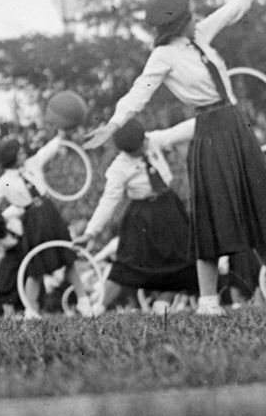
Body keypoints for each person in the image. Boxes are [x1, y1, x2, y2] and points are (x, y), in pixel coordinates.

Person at [82, 0, 266, 313]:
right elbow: (138, 93)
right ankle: (207, 301)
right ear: (181, 21)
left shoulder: (198, 35)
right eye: (192, 13)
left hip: (235, 126)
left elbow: (231, 10)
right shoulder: (163, 55)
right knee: (212, 219)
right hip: (209, 131)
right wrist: (114, 124)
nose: (198, 18)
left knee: (260, 212)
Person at [79, 118, 200, 311]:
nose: (144, 146)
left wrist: (209, 116)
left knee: (186, 257)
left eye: (144, 142)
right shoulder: (118, 168)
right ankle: (98, 308)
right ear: (126, 151)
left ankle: (163, 303)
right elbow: (108, 200)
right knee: (128, 264)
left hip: (169, 208)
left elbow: (179, 131)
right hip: (142, 215)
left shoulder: (152, 140)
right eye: (138, 148)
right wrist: (91, 232)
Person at [0, 134, 93, 318]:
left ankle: (83, 301)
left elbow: (47, 151)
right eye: (19, 153)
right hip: (32, 219)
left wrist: (59, 135)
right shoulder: (3, 182)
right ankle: (30, 310)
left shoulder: (32, 164)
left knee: (68, 257)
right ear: (12, 156)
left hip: (49, 212)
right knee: (36, 266)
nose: (23, 154)